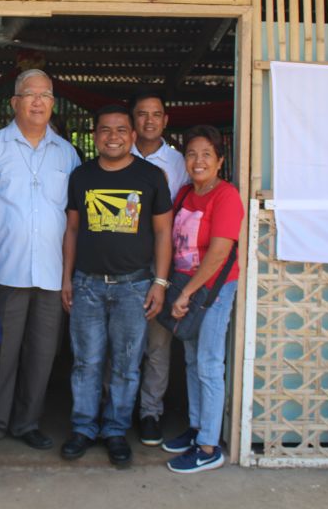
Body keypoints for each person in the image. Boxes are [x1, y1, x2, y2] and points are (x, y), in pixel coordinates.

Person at [0, 69, 81, 455]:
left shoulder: (67, 152)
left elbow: (72, 219)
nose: (37, 101)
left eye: (45, 95)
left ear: (53, 104)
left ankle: (27, 421)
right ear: (14, 103)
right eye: (29, 94)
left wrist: (68, 276)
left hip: (51, 273)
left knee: (42, 352)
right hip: (4, 267)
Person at [60, 105, 172, 467]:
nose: (113, 137)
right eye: (105, 130)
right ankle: (83, 428)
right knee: (86, 362)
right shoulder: (81, 176)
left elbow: (163, 233)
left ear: (133, 135)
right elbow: (73, 229)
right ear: (94, 136)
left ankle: (115, 431)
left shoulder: (152, 177)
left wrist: (159, 282)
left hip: (134, 286)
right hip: (88, 285)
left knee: (126, 365)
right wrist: (67, 278)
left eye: (121, 130)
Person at [161, 124, 244, 474]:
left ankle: (209, 446)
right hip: (186, 286)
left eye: (206, 154)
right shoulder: (183, 194)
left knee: (209, 364)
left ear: (220, 161)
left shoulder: (226, 196)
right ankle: (197, 428)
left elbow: (220, 252)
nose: (198, 161)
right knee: (192, 359)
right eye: (192, 154)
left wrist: (188, 293)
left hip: (213, 289)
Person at [129, 90, 190, 446]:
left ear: (165, 120)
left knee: (158, 341)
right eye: (142, 114)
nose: (149, 120)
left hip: (163, 259)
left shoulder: (179, 162)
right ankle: (116, 408)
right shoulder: (120, 154)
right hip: (123, 259)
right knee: (122, 341)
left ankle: (150, 412)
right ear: (133, 119)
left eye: (156, 114)